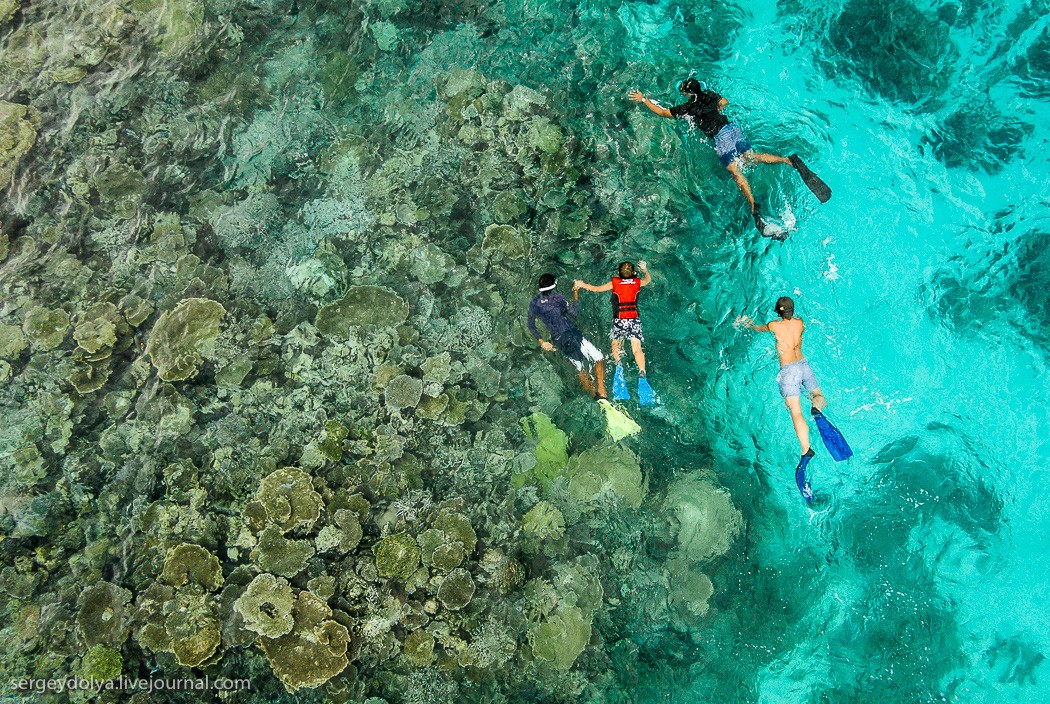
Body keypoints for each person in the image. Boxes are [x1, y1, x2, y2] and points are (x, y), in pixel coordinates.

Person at [628, 78, 830, 238]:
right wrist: (714, 111)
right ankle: (788, 160)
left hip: (720, 137)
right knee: (750, 157)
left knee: (735, 172)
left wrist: (644, 99)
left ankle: (753, 206)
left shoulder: (689, 108)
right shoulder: (709, 96)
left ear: (689, 94)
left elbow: (663, 112)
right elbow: (725, 102)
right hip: (732, 128)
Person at [738, 296, 827, 473]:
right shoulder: (800, 323)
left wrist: (746, 323)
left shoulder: (774, 325)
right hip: (803, 366)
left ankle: (806, 449)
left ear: (779, 312)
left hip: (789, 370)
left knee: (796, 411)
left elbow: (757, 328)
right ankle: (817, 408)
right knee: (818, 395)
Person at [573, 261, 657, 405]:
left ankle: (619, 367)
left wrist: (581, 284)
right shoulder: (637, 282)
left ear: (618, 274)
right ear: (634, 273)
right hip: (634, 319)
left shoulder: (615, 283)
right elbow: (648, 280)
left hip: (619, 320)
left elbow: (597, 289)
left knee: (615, 344)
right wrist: (645, 270)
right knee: (637, 349)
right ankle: (642, 374)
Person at [527, 273, 607, 400]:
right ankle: (602, 390)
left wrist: (542, 341)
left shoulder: (534, 303)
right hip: (571, 334)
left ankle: (594, 395)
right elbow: (574, 313)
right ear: (554, 285)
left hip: (558, 340)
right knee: (598, 357)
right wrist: (576, 293)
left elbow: (531, 325)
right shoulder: (559, 298)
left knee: (580, 367)